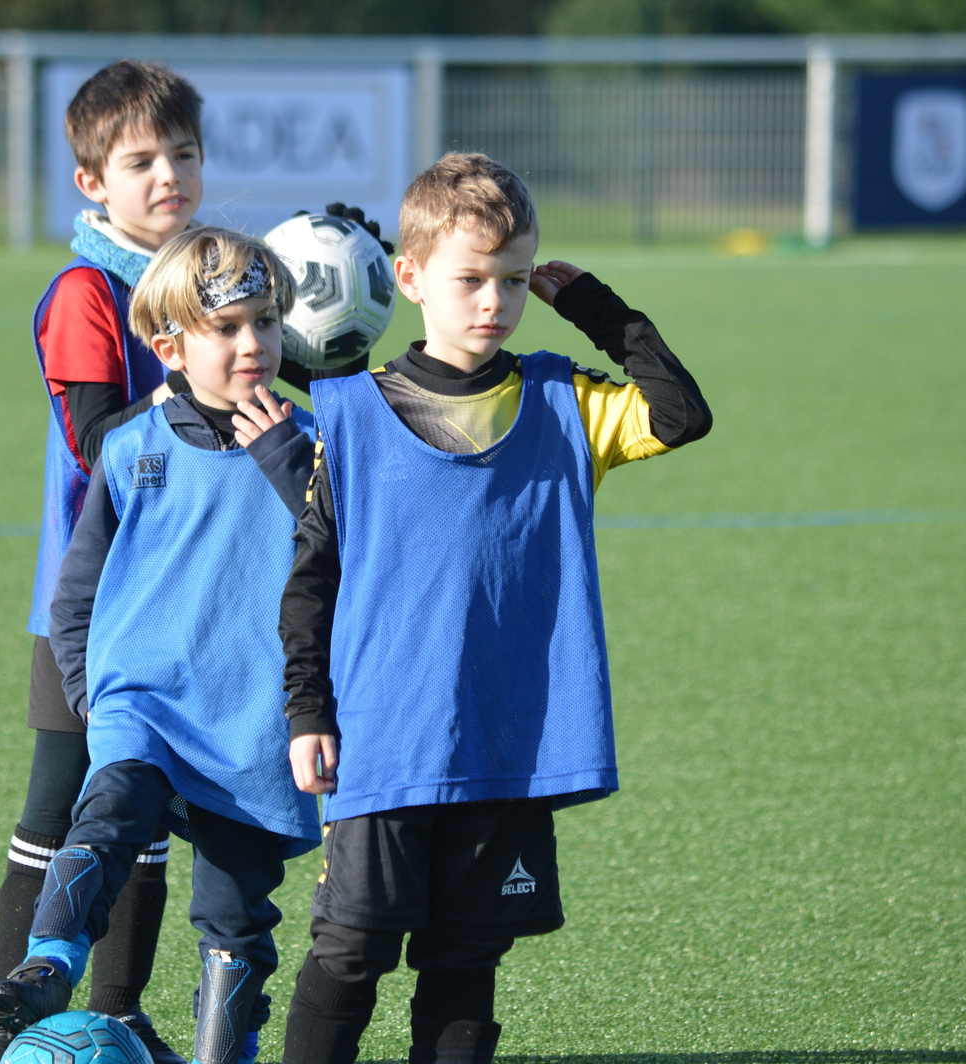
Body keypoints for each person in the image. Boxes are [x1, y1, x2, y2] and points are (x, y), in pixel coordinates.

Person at [275, 152, 714, 1064]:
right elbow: (313, 580)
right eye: (470, 279)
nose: (494, 301)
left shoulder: (564, 404)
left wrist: (598, 309)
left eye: (512, 280)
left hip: (505, 745)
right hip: (385, 739)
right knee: (351, 950)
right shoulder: (350, 414)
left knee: (466, 959)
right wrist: (308, 709)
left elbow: (681, 414)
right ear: (409, 278)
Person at [0, 59, 367, 1063]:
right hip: (122, 621)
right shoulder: (92, 296)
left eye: (183, 155)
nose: (168, 176)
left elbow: (339, 528)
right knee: (77, 813)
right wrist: (93, 678)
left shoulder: (254, 352)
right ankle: (23, 995)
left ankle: (128, 1010)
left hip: (244, 678)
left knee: (203, 890)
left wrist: (332, 328)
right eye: (141, 160)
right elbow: (97, 437)